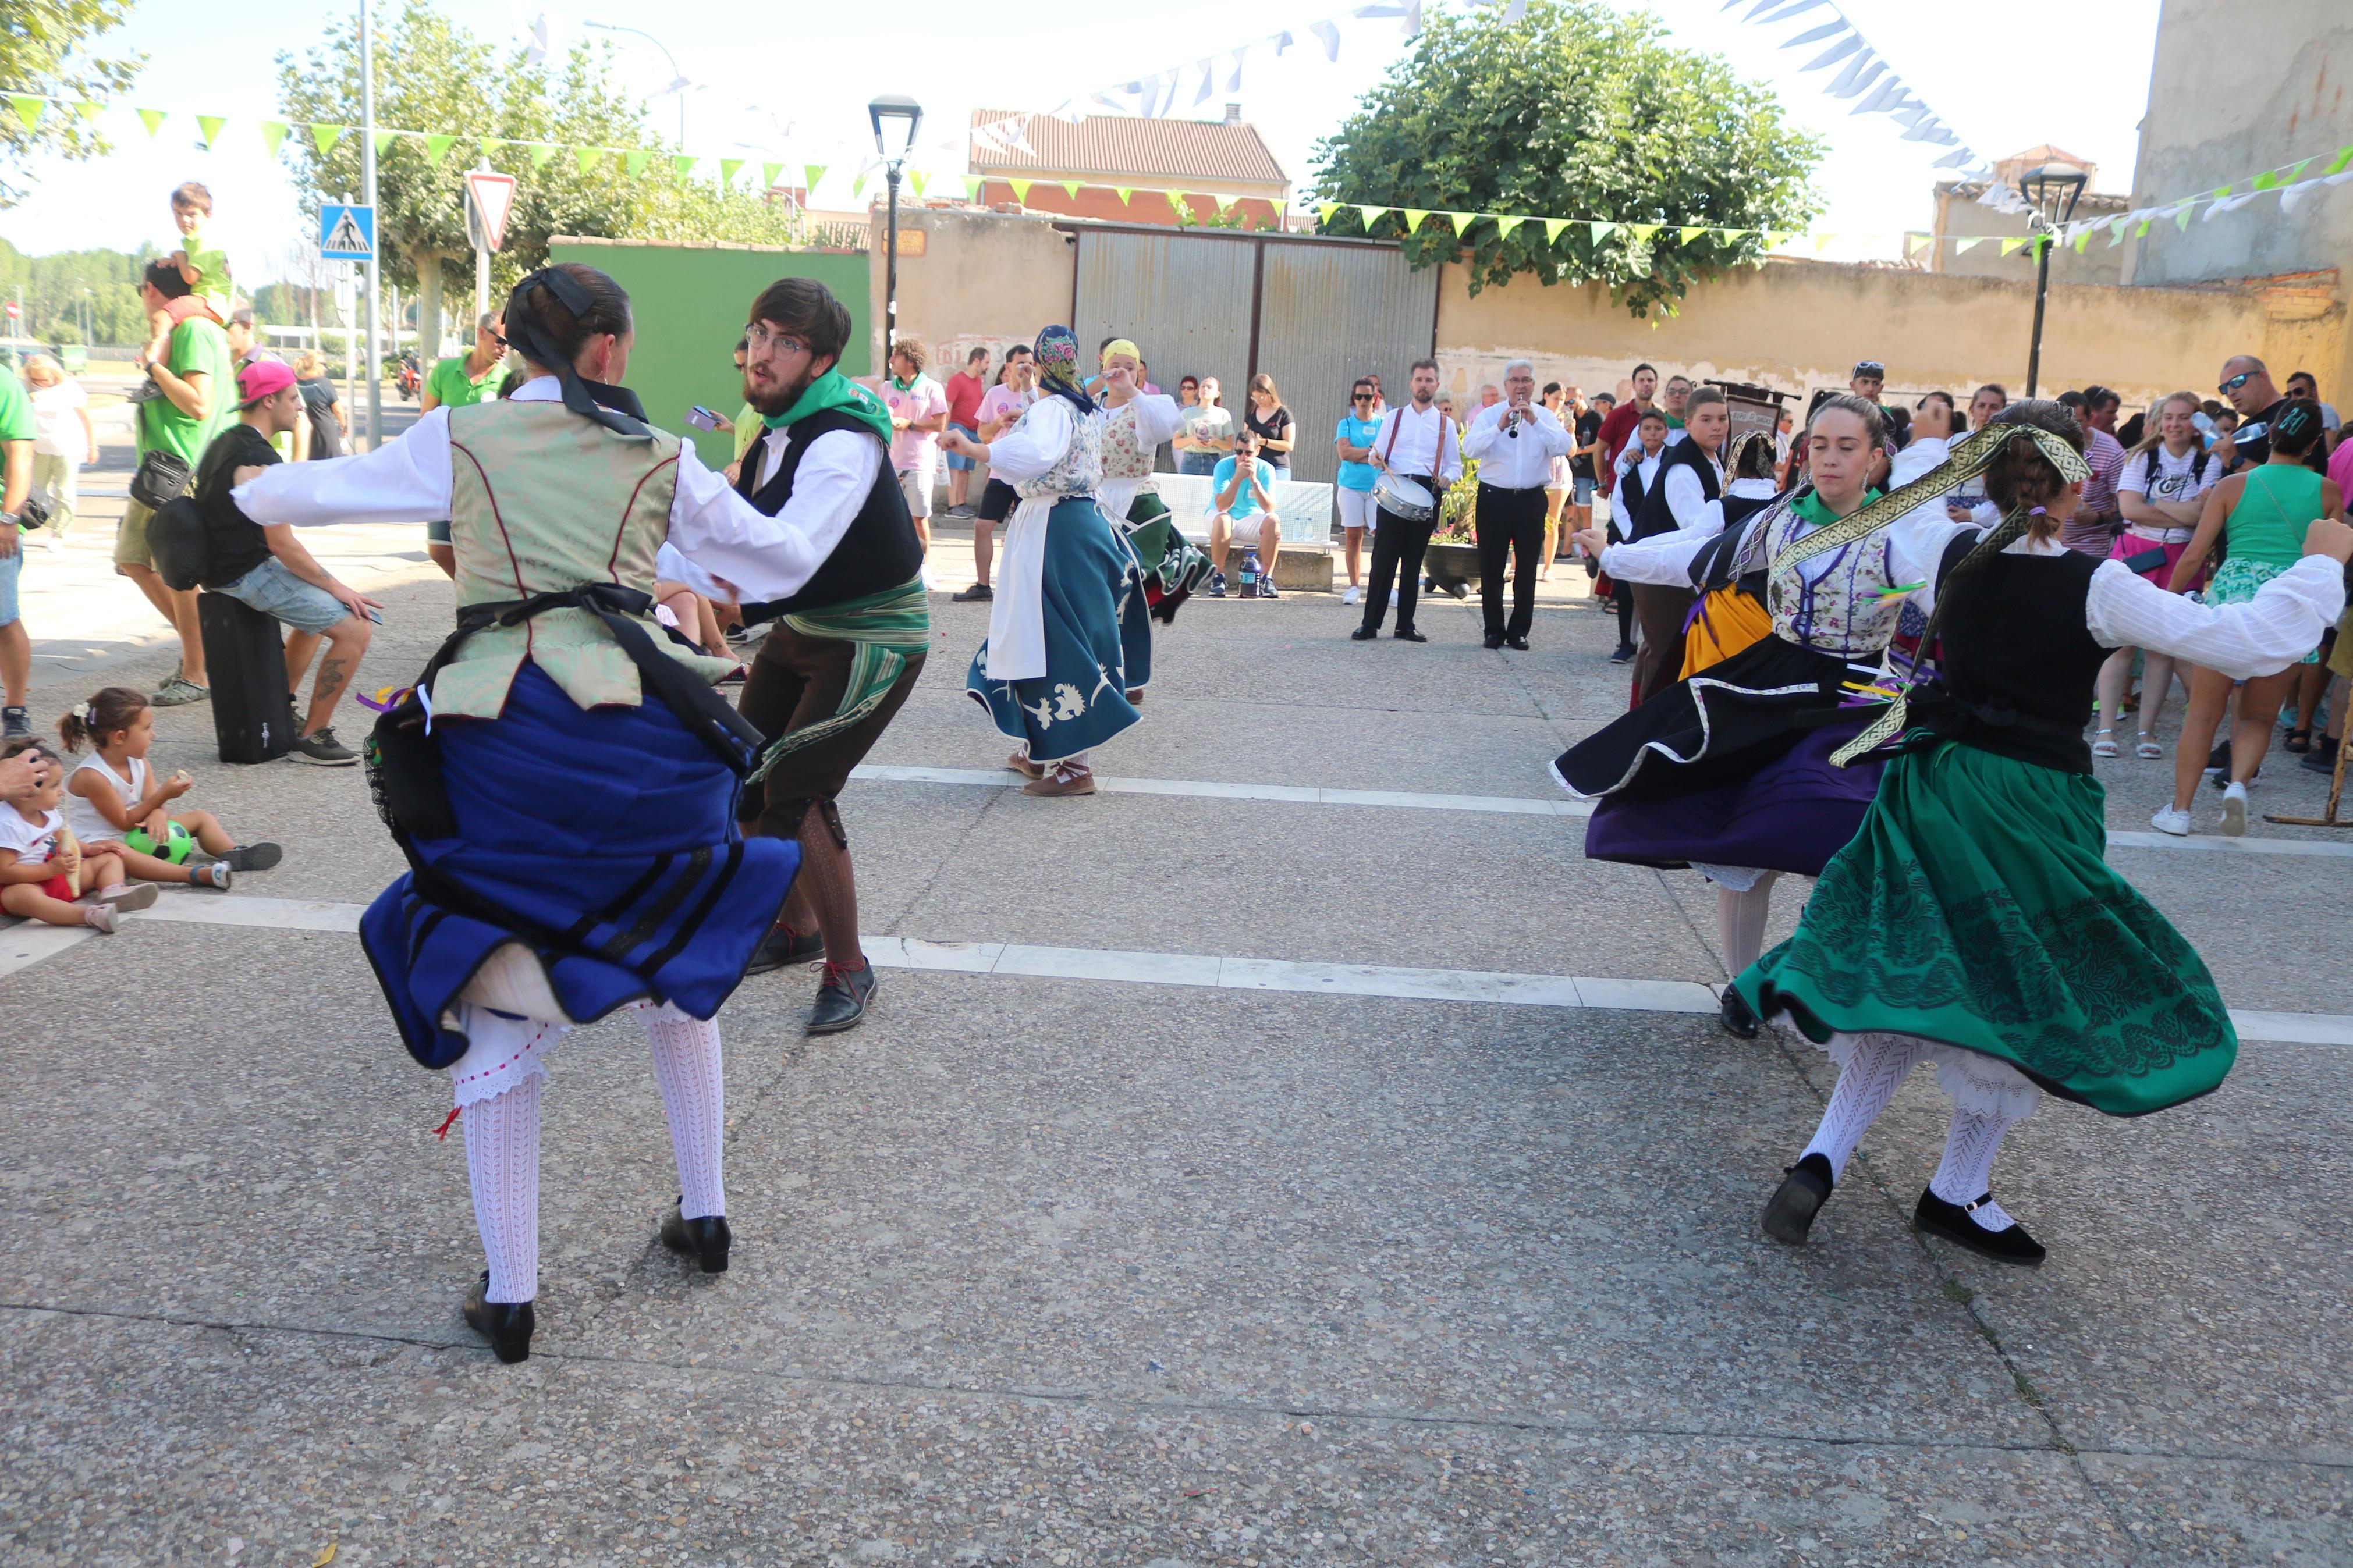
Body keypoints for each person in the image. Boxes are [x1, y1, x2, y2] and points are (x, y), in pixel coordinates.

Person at [232, 261, 831, 1362]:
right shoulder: (660, 453)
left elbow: (287, 495)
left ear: (516, 343)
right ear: (604, 348)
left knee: (493, 978)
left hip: (502, 734)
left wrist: (235, 496)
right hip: (651, 731)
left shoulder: (460, 436)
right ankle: (705, 1215)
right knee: (674, 947)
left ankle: (512, 1293)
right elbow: (785, 556)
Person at [1741, 402, 2351, 1267]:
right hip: (2029, 806)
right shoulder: (2093, 584)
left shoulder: (1943, 552)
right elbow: (2245, 641)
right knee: (2015, 990)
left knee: (1907, 969)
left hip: (1937, 786)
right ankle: (1956, 1187)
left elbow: (1872, 561)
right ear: (2076, 485)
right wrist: (2320, 568)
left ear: (1987, 477)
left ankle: (1822, 1157)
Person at [1561, 399, 1969, 1039]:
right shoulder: (1779, 520)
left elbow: (1937, 590)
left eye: (1845, 447)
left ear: (1874, 458)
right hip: (1773, 684)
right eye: (1819, 445)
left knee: (1855, 847)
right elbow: (1696, 561)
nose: (1829, 458)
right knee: (1743, 841)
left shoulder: (1897, 533)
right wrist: (1614, 555)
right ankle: (1743, 986)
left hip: (1860, 694)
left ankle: (1810, 977)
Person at [708, 277, 931, 1035]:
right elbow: (732, 514)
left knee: (793, 793)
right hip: (804, 628)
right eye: (760, 333)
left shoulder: (838, 439)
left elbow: (793, 550)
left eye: (787, 343)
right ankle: (794, 927)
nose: (762, 354)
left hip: (874, 636)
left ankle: (848, 965)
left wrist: (710, 595)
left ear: (821, 359)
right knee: (744, 773)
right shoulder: (776, 426)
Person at [945, 325, 1150, 798]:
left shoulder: (1056, 410)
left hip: (1054, 528)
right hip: (1074, 523)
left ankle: (1076, 768)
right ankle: (1038, 749)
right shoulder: (1079, 405)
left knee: (1053, 637)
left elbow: (1036, 452)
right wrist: (1027, 409)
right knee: (1048, 633)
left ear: (1040, 363)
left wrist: (979, 448)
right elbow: (1047, 440)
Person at [2154, 399, 2343, 835]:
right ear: (2314, 443)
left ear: (2269, 435)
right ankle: (2237, 787)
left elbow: (2194, 557)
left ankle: (2180, 812)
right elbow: (2329, 558)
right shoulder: (2327, 491)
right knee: (2258, 715)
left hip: (2232, 600)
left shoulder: (2231, 487)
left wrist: (2164, 603)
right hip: (2289, 604)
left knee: (2203, 711)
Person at [195, 359, 379, 765]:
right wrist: (336, 586)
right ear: (269, 400)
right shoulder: (259, 460)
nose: (300, 406)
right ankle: (313, 737)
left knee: (317, 618)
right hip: (243, 573)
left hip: (228, 565)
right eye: (294, 397)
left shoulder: (226, 442)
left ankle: (280, 710)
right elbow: (281, 544)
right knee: (356, 628)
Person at [123, 260, 233, 709]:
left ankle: (197, 668)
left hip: (178, 470)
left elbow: (199, 404)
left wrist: (154, 368)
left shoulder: (194, 332)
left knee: (179, 573)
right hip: (159, 469)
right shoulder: (182, 332)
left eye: (141, 291)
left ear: (151, 291)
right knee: (132, 559)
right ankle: (203, 655)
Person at [2092, 392, 2216, 760]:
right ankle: (2107, 728)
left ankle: (2147, 731)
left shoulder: (2206, 462)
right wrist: (2183, 510)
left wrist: (2156, 505)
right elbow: (2129, 508)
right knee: (2122, 643)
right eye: (2169, 417)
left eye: (2185, 417)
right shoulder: (2141, 457)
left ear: (2197, 424)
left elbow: (2204, 517)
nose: (2176, 424)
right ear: (2160, 421)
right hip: (2137, 553)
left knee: (2162, 648)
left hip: (2182, 558)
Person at [57, 686, 268, 886]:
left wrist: (159, 812)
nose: (153, 734)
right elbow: (124, 821)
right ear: (120, 737)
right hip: (97, 843)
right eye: (147, 728)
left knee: (201, 817)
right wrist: (164, 796)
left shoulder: (139, 762)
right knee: (118, 852)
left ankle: (235, 852)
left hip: (133, 832)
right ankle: (194, 875)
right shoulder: (93, 776)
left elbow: (151, 801)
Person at [1621, 386, 1731, 702]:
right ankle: (1647, 726)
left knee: (1655, 646)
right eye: (1707, 420)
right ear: (1689, 423)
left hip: (1670, 567)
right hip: (1659, 569)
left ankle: (1637, 715)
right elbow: (1698, 531)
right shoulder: (1683, 468)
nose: (1717, 426)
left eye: (1722, 419)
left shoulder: (1709, 458)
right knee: (1667, 650)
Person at [1462, 358, 1572, 650]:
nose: (1520, 385)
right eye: (1515, 380)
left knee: (1526, 569)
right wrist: (1499, 428)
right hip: (1494, 498)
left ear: (1533, 385)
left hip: (1531, 500)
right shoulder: (1490, 416)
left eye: (1526, 380)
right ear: (1506, 385)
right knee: (1492, 566)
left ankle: (1519, 630)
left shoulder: (1546, 417)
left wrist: (1534, 422)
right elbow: (1470, 449)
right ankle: (1494, 630)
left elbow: (1563, 446)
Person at [1353, 358, 1460, 644]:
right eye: (1419, 380)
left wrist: (1447, 478)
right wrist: (1376, 458)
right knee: (1383, 560)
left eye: (1429, 380)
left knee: (1413, 563)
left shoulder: (1445, 425)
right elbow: (1379, 454)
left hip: (1427, 492)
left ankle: (1405, 625)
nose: (1423, 385)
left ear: (1436, 385)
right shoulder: (1394, 418)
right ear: (1411, 383)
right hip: (1395, 488)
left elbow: (1455, 465)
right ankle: (1370, 624)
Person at [0, 739, 157, 934]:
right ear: (25, 793)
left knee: (109, 857)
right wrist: (48, 870)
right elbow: (6, 872)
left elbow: (63, 837)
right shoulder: (7, 823)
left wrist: (91, 850)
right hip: (30, 883)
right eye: (54, 785)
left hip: (60, 873)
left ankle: (114, 891)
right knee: (18, 896)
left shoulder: (47, 812)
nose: (61, 791)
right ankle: (89, 915)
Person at [129, 182, 229, 399]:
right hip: (211, 300)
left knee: (161, 319)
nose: (184, 220)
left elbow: (190, 277)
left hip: (209, 300)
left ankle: (155, 366)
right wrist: (177, 257)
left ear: (208, 215)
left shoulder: (205, 244)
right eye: (178, 213)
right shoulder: (195, 243)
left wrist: (178, 255)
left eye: (191, 214)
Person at [958, 345, 1037, 605]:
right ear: (1008, 367)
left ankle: (1028, 585)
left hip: (1028, 473)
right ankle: (983, 585)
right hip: (1001, 470)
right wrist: (1001, 421)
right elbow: (982, 434)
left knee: (1029, 529)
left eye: (1030, 363)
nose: (1026, 368)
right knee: (982, 526)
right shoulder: (995, 394)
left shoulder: (1039, 395)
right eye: (1021, 363)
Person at [1599, 408, 1670, 663]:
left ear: (1666, 432)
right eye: (1647, 429)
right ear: (1639, 433)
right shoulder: (1630, 462)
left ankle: (1660, 644)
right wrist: (1632, 535)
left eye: (1658, 429)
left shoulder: (1673, 461)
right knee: (1627, 590)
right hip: (1632, 536)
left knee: (1661, 592)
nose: (1652, 434)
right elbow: (1617, 501)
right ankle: (1627, 642)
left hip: (1664, 536)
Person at [882, 336, 949, 562]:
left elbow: (940, 424)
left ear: (911, 361)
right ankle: (896, 568)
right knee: (890, 519)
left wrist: (910, 424)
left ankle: (924, 569)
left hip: (919, 463)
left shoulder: (932, 388)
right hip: (891, 463)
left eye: (896, 356)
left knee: (918, 519)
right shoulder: (886, 388)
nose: (891, 360)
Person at [23, 354, 93, 550]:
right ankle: (43, 522)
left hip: (67, 447)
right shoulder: (26, 387)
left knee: (64, 491)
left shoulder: (68, 388)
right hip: (38, 447)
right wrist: (28, 400)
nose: (39, 383)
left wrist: (92, 446)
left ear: (55, 376)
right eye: (35, 379)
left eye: (44, 379)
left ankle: (59, 533)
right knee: (35, 493)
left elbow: (85, 417)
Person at [2215, 355, 2329, 474]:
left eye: (2237, 381)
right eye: (2224, 388)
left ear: (2262, 378)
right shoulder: (2246, 426)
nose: (2230, 392)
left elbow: (2296, 479)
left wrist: (2235, 460)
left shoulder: (2294, 415)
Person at [0, 361, 34, 739]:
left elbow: (21, 455)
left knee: (4, 617)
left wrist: (8, 518)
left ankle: (15, 708)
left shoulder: (4, 383)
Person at [1207, 428, 1282, 598]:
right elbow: (1222, 506)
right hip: (1221, 517)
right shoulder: (1224, 466)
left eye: (1248, 453)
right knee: (1224, 520)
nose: (1243, 457)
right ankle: (1218, 578)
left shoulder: (1266, 469)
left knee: (1273, 521)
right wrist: (1237, 478)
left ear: (1257, 451)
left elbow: (1269, 508)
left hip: (1250, 519)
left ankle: (1266, 579)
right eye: (1239, 452)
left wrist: (1254, 481)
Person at [1333, 377, 1383, 606]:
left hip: (1378, 488)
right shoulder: (1346, 423)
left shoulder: (1384, 423)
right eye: (1359, 396)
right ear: (1353, 399)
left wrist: (1360, 454)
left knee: (1382, 537)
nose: (1363, 401)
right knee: (1354, 536)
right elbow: (1344, 454)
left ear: (1376, 399)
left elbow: (1386, 456)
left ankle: (1381, 585)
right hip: (1351, 486)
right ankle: (1354, 586)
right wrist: (1370, 453)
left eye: (1368, 397)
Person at [2061, 385, 2127, 557]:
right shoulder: (2045, 446)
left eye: (2076, 423)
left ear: (2090, 418)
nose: (2067, 430)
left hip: (2091, 550)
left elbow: (2125, 510)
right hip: (2048, 544)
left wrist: (2097, 517)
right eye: (2060, 422)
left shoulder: (2112, 452)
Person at [943, 344, 990, 517]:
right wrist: (944, 432)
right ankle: (952, 506)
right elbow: (948, 406)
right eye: (986, 362)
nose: (987, 367)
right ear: (976, 361)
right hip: (957, 428)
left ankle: (961, 503)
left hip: (972, 431)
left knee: (965, 470)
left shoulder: (978, 381)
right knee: (955, 468)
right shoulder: (957, 380)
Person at [1596, 363, 1659, 474]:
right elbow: (1599, 450)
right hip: (1621, 485)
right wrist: (1602, 484)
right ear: (1634, 385)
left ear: (1656, 385)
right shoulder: (1617, 415)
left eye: (1650, 380)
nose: (1646, 384)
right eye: (1641, 380)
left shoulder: (1662, 416)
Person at [1538, 382, 1574, 581]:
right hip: (1539, 471)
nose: (1559, 403)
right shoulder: (1538, 415)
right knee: (1529, 520)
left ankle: (1548, 568)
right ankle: (1516, 567)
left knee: (1553, 521)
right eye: (1556, 398)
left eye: (1562, 399)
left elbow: (1572, 451)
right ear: (1546, 396)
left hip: (1560, 473)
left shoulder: (1565, 418)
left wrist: (1569, 433)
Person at [291, 350, 346, 461]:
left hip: (303, 437)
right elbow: (338, 410)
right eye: (324, 365)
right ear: (315, 365)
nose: (326, 368)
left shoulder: (295, 383)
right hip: (325, 435)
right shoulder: (324, 383)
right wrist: (343, 425)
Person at [1175, 374, 1233, 477]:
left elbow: (1229, 445)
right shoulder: (1187, 413)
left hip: (1213, 460)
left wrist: (1215, 441)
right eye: (1203, 386)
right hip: (1190, 460)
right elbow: (1176, 442)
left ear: (1217, 394)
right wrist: (1192, 440)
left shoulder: (1224, 414)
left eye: (1209, 387)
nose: (1205, 389)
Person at [1571, 390, 1608, 540]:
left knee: (1586, 510)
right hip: (1571, 470)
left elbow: (1601, 445)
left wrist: (1579, 450)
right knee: (1572, 512)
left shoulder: (1595, 417)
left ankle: (1587, 544)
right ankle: (1570, 546)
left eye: (1571, 401)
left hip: (1587, 471)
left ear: (1581, 397)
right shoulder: (1571, 417)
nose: (1569, 405)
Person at [1243, 374, 1294, 477]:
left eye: (1261, 397)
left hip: (1278, 467)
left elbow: (1289, 445)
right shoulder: (1251, 414)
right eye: (1255, 397)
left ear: (1270, 393)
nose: (1258, 401)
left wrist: (1264, 442)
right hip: (1255, 466)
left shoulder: (1283, 414)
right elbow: (1244, 439)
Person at [2285, 370, 2340, 444]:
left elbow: (2328, 449)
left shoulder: (2324, 411)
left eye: (2299, 392)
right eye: (2289, 394)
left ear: (2313, 391)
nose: (2293, 398)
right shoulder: (2297, 415)